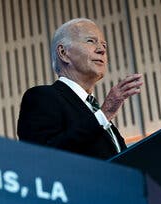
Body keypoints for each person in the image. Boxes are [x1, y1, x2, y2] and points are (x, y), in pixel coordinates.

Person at [17, 18, 143, 159]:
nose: (101, 50)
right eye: (91, 41)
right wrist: (104, 113)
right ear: (63, 53)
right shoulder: (42, 97)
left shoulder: (97, 113)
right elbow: (41, 156)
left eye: (104, 45)